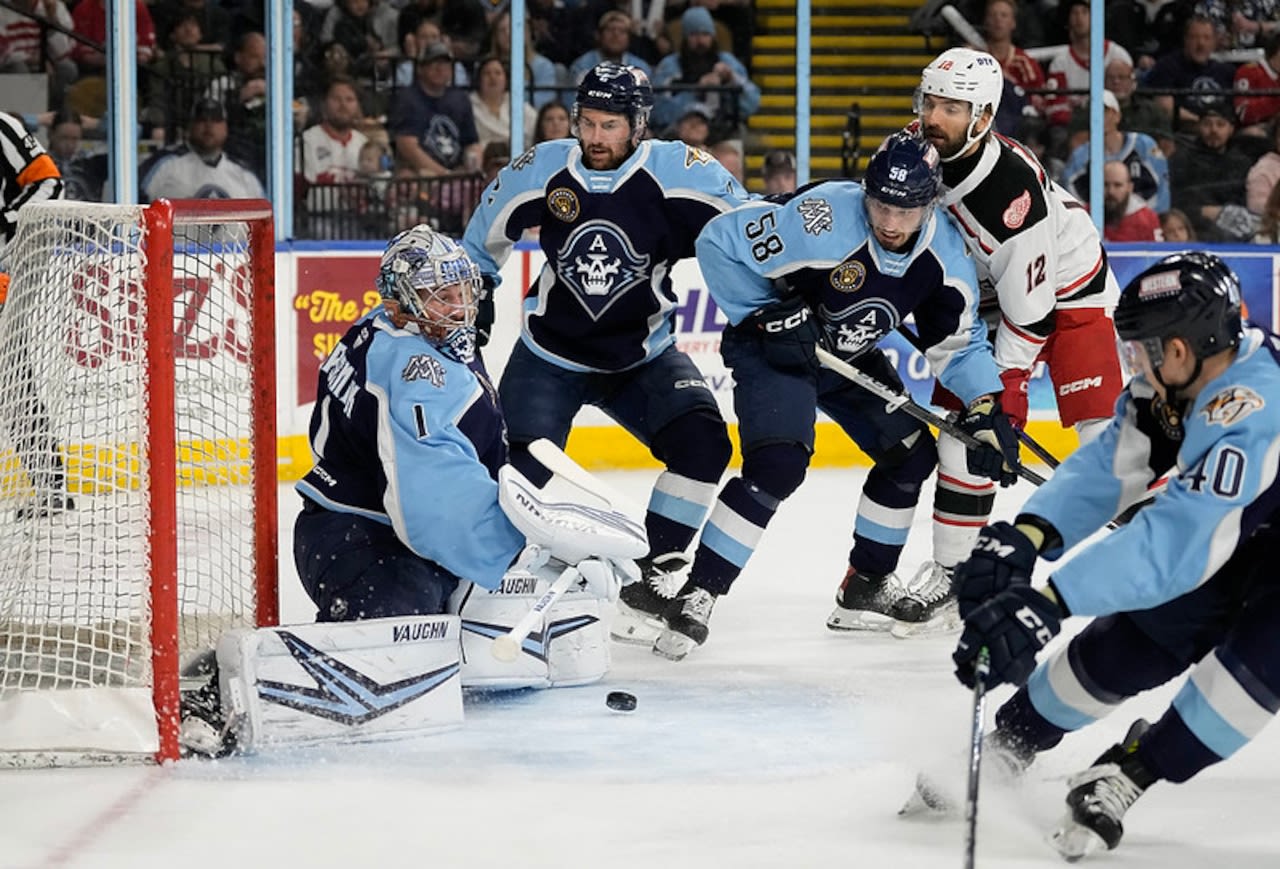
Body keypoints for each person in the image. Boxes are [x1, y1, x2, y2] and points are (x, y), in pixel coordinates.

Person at [947, 252, 1280, 861]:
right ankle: (1011, 745)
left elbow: (1175, 543)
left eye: (1143, 350)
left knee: (1255, 672)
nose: (1137, 363)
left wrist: (1049, 602)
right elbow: (1114, 463)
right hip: (1235, 529)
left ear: (1179, 350)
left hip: (1246, 540)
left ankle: (1130, 772)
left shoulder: (1252, 411)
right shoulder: (1186, 378)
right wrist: (1031, 534)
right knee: (1137, 640)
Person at [674, 129, 1019, 659]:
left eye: (905, 211)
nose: (888, 222)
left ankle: (865, 587)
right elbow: (718, 241)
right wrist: (764, 314)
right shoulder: (823, 217)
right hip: (772, 348)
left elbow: (960, 345)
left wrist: (984, 405)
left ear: (930, 204)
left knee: (910, 455)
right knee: (778, 465)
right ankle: (698, 592)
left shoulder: (946, 257)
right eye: (880, 205)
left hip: (846, 356)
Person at [460, 61, 749, 654]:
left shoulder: (682, 174)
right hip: (550, 355)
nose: (594, 137)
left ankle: (656, 574)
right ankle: (501, 585)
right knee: (515, 473)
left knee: (705, 444)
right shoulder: (544, 167)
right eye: (586, 122)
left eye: (609, 125)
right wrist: (477, 287)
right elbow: (482, 235)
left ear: (638, 125)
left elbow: (749, 232)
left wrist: (772, 301)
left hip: (642, 356)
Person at [910, 47, 1124, 630]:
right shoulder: (911, 148)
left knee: (1104, 435)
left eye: (951, 107)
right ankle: (953, 575)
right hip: (983, 302)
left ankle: (1151, 550)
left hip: (1070, 292)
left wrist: (1004, 393)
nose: (933, 116)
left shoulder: (1009, 194)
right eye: (930, 100)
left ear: (982, 118)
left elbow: (1029, 318)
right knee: (960, 437)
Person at [0, 110, 72, 518]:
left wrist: (8, 219)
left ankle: (49, 483)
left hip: (6, 264)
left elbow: (49, 181)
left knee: (8, 373)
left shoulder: (3, 127)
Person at [651, 6, 760, 143]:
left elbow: (752, 104)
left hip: (723, 133)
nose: (700, 41)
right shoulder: (669, 66)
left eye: (705, 34)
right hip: (677, 135)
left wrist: (731, 79)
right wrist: (696, 91)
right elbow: (658, 113)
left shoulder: (727, 62)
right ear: (685, 38)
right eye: (694, 34)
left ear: (713, 37)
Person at [141, 98, 266, 202]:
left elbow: (265, 219)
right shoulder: (164, 163)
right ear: (190, 125)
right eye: (202, 119)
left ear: (225, 128)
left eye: (216, 120)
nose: (209, 125)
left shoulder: (243, 173)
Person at [1101, 160, 1163, 241]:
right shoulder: (1086, 214)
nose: (1111, 191)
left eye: (1118, 185)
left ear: (1130, 187)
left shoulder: (1148, 219)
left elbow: (1155, 251)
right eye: (1105, 185)